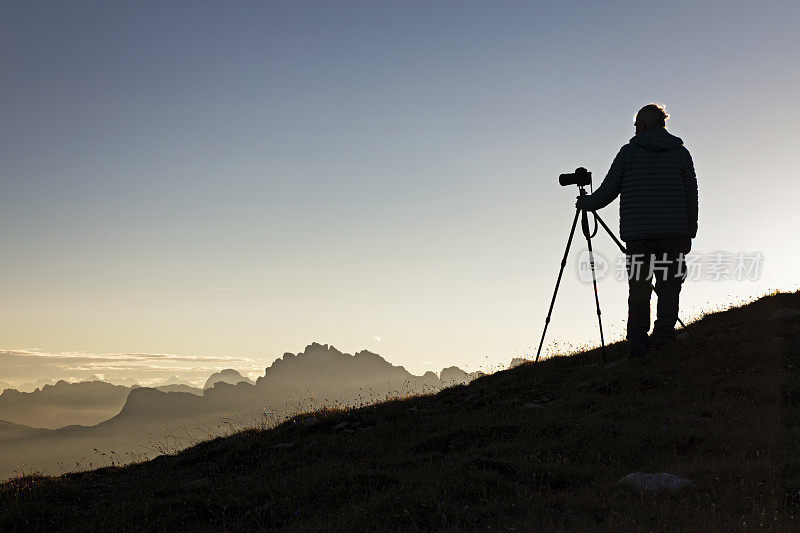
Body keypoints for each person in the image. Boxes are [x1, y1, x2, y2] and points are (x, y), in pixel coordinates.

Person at [577, 103, 698, 357]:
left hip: (639, 236)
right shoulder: (681, 154)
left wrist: (586, 204)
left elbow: (609, 190)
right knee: (669, 285)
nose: (634, 129)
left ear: (645, 124)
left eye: (636, 124)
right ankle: (664, 336)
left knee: (640, 288)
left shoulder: (628, 153)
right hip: (674, 234)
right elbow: (691, 195)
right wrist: (690, 231)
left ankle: (637, 343)